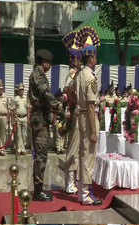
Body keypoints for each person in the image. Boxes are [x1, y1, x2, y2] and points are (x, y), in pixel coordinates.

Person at [28, 49, 62, 201]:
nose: (50, 66)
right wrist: (57, 105)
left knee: (41, 154)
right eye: (49, 63)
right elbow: (45, 93)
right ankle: (38, 192)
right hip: (39, 118)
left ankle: (38, 188)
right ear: (44, 62)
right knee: (41, 155)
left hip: (41, 118)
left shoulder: (38, 73)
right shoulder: (38, 74)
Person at [76, 26, 102, 205]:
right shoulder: (90, 77)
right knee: (89, 155)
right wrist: (94, 130)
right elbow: (92, 106)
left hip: (81, 116)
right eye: (95, 56)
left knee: (83, 154)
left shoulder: (79, 74)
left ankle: (82, 191)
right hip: (88, 117)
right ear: (91, 57)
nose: (96, 58)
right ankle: (85, 194)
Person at [62, 31, 83, 195]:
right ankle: (69, 182)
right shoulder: (71, 75)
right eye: (75, 58)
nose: (77, 60)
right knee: (73, 149)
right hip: (75, 115)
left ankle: (74, 180)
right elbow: (68, 94)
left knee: (79, 150)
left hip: (81, 116)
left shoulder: (78, 74)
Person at [12, 83, 29, 155]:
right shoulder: (15, 99)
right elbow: (13, 109)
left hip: (25, 117)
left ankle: (23, 147)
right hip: (18, 117)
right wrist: (14, 118)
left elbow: (28, 108)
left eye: (22, 90)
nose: (21, 91)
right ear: (18, 91)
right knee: (18, 134)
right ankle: (19, 149)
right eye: (20, 90)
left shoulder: (26, 98)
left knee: (24, 134)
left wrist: (28, 117)